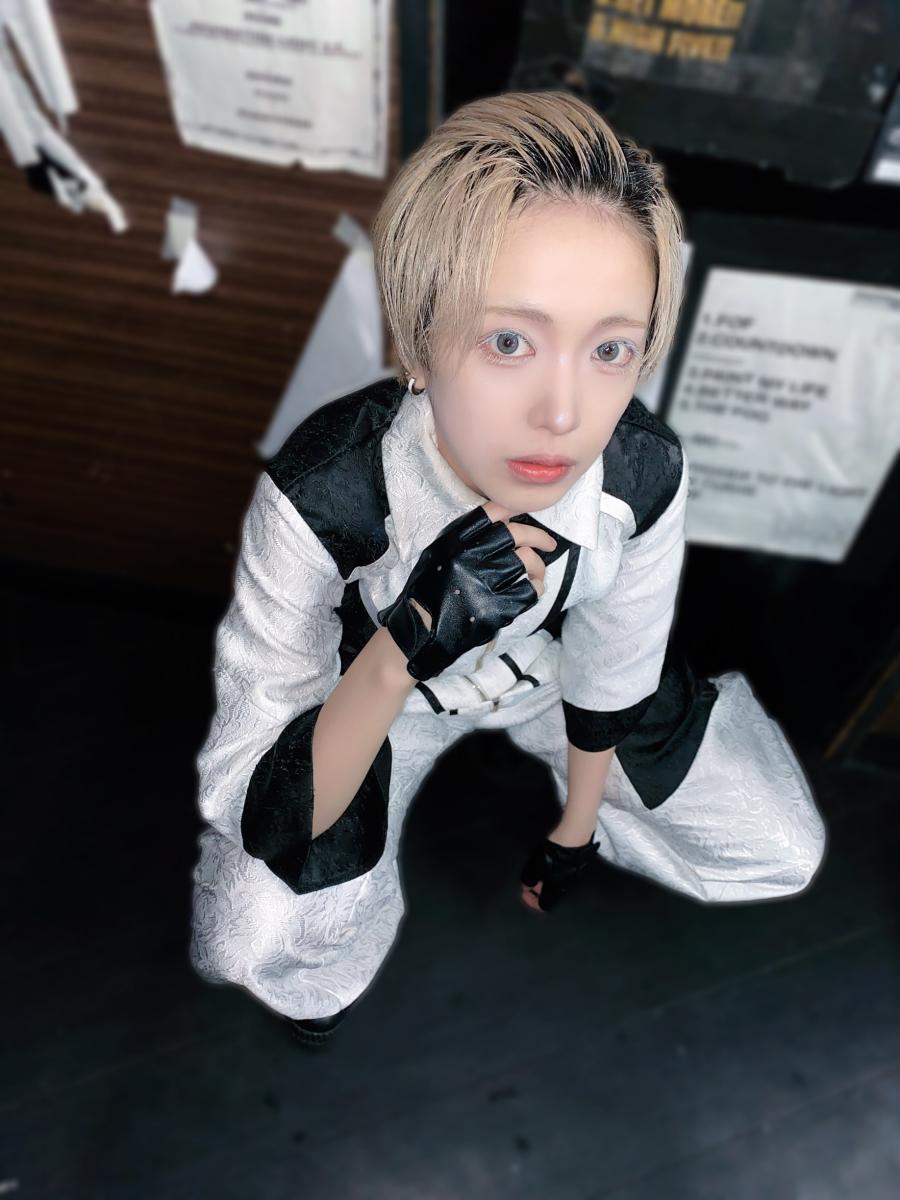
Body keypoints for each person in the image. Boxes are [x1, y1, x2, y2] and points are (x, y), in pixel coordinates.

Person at [188, 91, 828, 1046]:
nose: (563, 414)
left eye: (611, 349)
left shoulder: (640, 469)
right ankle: (324, 984)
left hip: (546, 678)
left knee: (780, 844)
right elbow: (265, 801)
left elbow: (618, 659)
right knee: (255, 927)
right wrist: (404, 645)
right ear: (418, 341)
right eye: (508, 342)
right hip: (376, 698)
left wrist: (576, 826)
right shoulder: (326, 492)